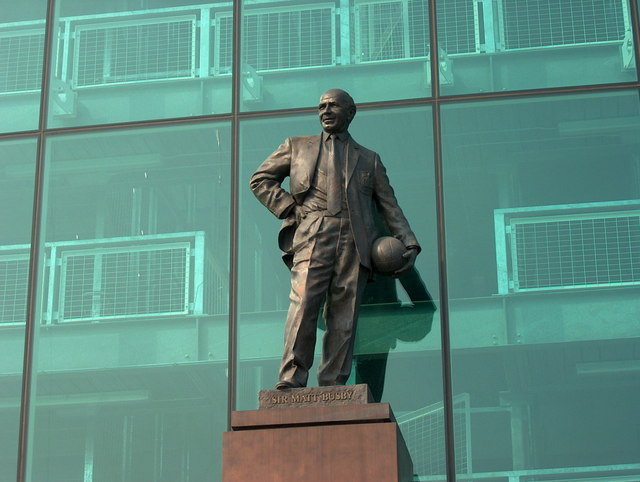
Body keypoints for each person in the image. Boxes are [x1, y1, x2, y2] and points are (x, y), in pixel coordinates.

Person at [249, 88, 420, 389]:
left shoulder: (369, 159)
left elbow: (389, 205)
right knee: (303, 303)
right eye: (321, 106)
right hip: (313, 230)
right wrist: (289, 206)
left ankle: (333, 383)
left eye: (333, 106)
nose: (325, 111)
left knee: (344, 313)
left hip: (354, 238)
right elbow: (260, 179)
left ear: (351, 112)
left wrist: (409, 241)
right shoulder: (296, 146)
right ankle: (291, 378)